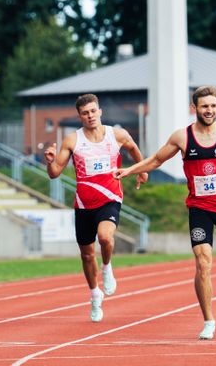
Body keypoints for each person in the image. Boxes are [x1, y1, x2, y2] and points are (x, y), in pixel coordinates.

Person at [113, 85, 216, 340]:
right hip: (200, 208)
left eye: (213, 106)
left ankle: (208, 294)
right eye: (205, 106)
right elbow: (157, 160)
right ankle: (209, 320)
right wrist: (130, 170)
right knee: (203, 262)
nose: (210, 110)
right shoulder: (183, 137)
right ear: (195, 109)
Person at [44, 94, 148, 322]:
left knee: (105, 237)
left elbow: (133, 148)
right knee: (87, 254)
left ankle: (107, 267)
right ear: (80, 116)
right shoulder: (72, 140)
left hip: (110, 198)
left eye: (93, 111)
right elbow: (54, 174)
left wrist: (141, 170)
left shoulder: (116, 135)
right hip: (83, 204)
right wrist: (49, 160)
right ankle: (94, 295)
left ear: (99, 111)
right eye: (85, 113)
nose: (90, 116)